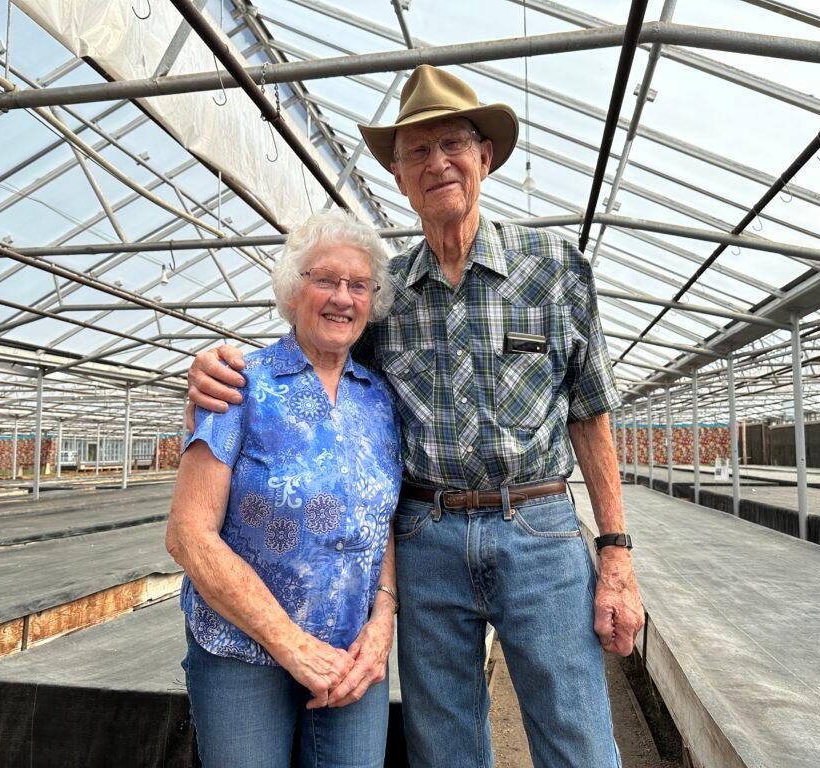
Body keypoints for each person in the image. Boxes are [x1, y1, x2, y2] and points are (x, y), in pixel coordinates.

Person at [186, 65, 645, 768]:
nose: (437, 164)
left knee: (577, 734)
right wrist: (216, 366)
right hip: (427, 535)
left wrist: (615, 551)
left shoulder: (552, 267)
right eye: (416, 153)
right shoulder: (386, 294)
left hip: (539, 527)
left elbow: (589, 412)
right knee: (444, 744)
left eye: (453, 144)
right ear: (399, 178)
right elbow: (318, 359)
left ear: (484, 156)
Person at [166, 208, 402, 768]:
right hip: (242, 650)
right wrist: (292, 645)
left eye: (358, 285)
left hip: (351, 656)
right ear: (292, 293)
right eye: (324, 279)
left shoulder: (380, 400)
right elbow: (188, 535)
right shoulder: (238, 383)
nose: (342, 297)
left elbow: (381, 522)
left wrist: (383, 619)